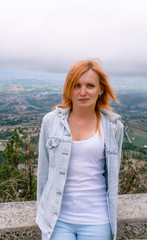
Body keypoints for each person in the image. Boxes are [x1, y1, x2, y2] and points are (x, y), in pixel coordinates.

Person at [36, 59, 124, 240]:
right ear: (69, 88)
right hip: (57, 220)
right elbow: (44, 174)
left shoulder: (114, 127)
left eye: (90, 85)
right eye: (77, 85)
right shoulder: (50, 122)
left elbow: (112, 176)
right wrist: (42, 212)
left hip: (97, 220)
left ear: (100, 90)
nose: (83, 92)